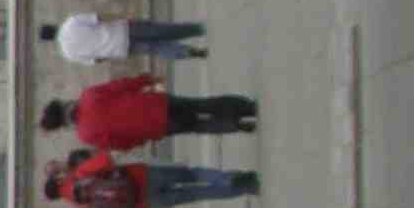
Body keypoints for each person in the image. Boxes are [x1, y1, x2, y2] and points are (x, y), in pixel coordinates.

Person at [47, 151, 258, 208]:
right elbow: (107, 159)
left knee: (196, 194)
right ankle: (230, 179)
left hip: (145, 203)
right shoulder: (80, 174)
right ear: (59, 179)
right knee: (192, 174)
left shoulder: (83, 207)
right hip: (144, 175)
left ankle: (245, 188)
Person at [40, 76, 257, 147]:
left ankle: (236, 125)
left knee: (198, 126)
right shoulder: (88, 96)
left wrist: (141, 139)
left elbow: (119, 143)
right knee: (201, 105)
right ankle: (246, 107)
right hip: (154, 103)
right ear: (63, 104)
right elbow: (122, 85)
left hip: (153, 127)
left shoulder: (85, 135)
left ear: (63, 125)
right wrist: (146, 80)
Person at [44, 13, 205, 66]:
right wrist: (122, 17)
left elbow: (96, 60)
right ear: (53, 26)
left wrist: (111, 52)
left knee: (156, 48)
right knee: (159, 30)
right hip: (121, 29)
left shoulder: (68, 54)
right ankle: (195, 29)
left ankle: (187, 52)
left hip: (119, 49)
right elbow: (100, 17)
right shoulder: (71, 22)